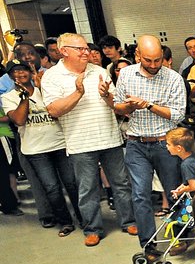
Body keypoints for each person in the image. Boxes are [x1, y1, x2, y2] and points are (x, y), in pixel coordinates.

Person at [41, 33, 137, 247]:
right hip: (80, 143)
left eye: (87, 48)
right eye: (80, 49)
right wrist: (78, 93)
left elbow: (114, 105)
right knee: (87, 189)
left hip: (110, 139)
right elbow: (54, 110)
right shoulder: (52, 76)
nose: (87, 52)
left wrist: (107, 96)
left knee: (121, 183)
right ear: (64, 51)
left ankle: (129, 221)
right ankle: (93, 229)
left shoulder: (100, 71)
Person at [114, 34, 187, 259]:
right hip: (136, 143)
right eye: (148, 60)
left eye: (158, 60)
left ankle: (179, 237)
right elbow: (118, 107)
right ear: (138, 55)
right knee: (140, 194)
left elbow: (177, 115)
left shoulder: (173, 78)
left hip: (165, 143)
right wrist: (130, 106)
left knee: (175, 191)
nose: (154, 65)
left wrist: (148, 105)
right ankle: (148, 245)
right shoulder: (126, 74)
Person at [2, 58, 81, 236]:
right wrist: (25, 98)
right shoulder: (8, 97)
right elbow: (19, 120)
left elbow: (57, 112)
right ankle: (65, 222)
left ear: (30, 72)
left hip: (59, 145)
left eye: (23, 70)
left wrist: (40, 89)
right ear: (9, 76)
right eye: (15, 72)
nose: (20, 74)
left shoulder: (44, 91)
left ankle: (84, 218)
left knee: (72, 183)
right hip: (35, 151)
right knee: (51, 187)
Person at [166, 126, 195, 198]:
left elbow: (193, 186)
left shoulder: (186, 164)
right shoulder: (192, 157)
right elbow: (188, 182)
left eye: (169, 144)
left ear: (179, 148)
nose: (167, 146)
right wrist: (181, 187)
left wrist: (182, 191)